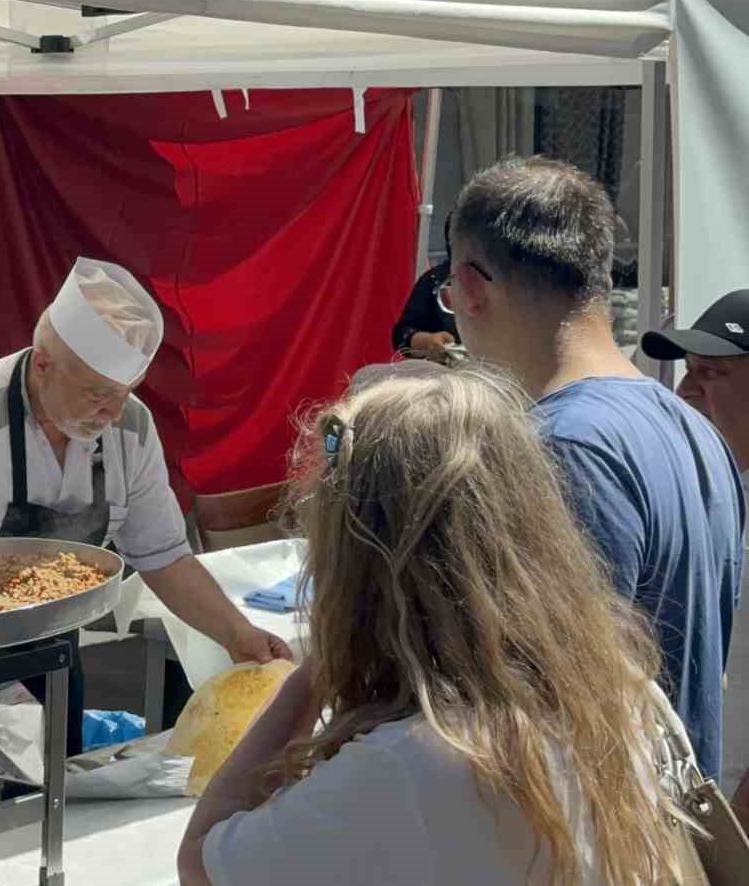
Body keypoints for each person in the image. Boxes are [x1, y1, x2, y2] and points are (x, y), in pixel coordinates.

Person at [179, 366, 688, 885]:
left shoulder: (409, 766)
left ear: (357, 570)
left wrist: (318, 665)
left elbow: (202, 863)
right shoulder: (619, 696)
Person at [0, 257, 290, 755]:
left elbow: (163, 555)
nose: (115, 412)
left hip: (53, 653)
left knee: (58, 815)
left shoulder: (129, 428)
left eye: (125, 394)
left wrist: (237, 634)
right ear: (42, 363)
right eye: (99, 394)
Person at [441, 155, 744, 780]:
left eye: (448, 294)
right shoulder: (689, 425)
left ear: (469, 290)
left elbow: (548, 704)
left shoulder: (564, 444)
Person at [643, 288, 749, 808]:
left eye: (710, 373)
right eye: (688, 370)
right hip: (697, 806)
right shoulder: (700, 489)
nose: (684, 391)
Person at [390, 212, 460, 361]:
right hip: (450, 375)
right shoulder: (435, 280)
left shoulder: (512, 280)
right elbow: (401, 334)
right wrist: (428, 341)